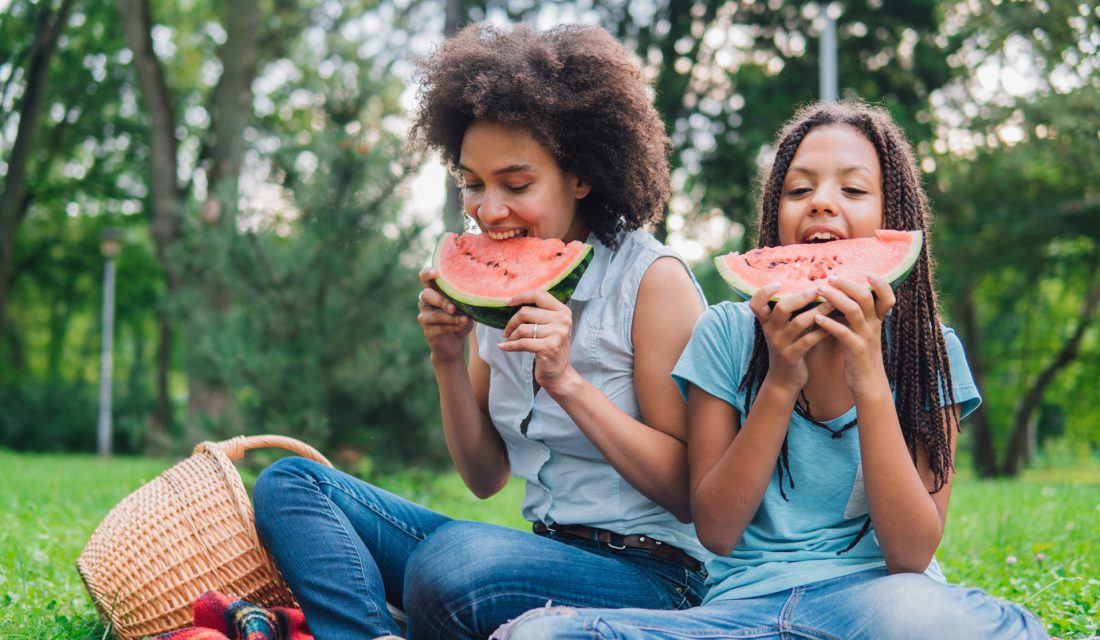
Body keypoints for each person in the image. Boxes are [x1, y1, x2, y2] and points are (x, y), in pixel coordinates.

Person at [494, 101, 1050, 640]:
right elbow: (716, 528)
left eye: (853, 190)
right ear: (774, 214)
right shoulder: (726, 335)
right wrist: (781, 381)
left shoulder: (929, 351)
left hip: (882, 605)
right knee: (542, 634)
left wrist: (870, 374)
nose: (821, 204)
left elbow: (910, 554)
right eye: (799, 189)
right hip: (744, 610)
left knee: (959, 624)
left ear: (893, 220)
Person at [252, 23, 711, 640]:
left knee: (451, 567)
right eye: (472, 183)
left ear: (581, 176)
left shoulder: (653, 283)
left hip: (651, 575)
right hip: (529, 557)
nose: (488, 211)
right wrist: (448, 356)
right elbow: (484, 476)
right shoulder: (497, 284)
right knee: (291, 484)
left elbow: (692, 495)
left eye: (516, 184)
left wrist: (567, 381)